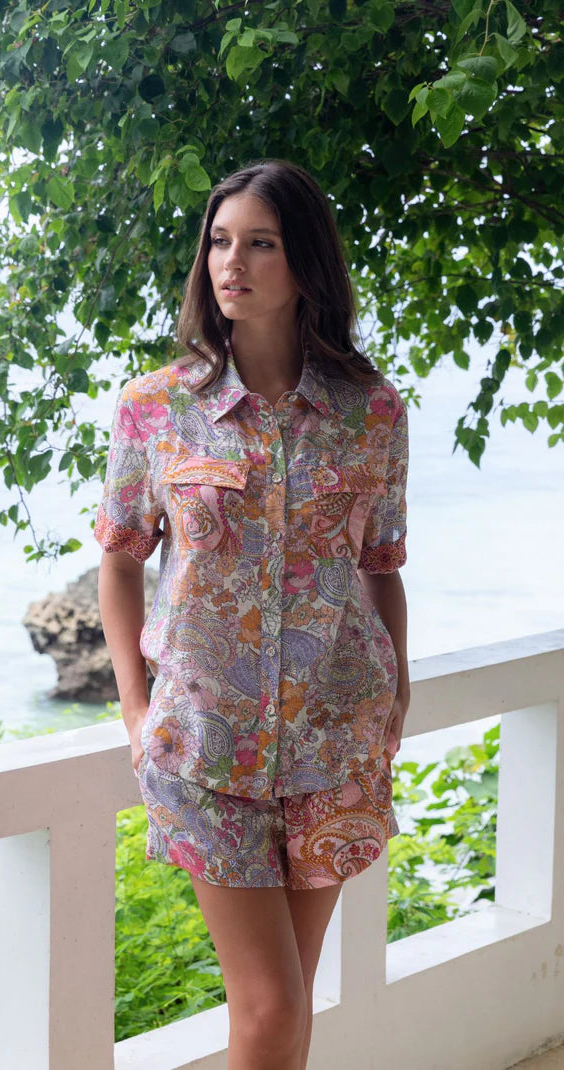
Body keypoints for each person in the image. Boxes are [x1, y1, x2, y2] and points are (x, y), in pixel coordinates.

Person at [95, 158, 410, 1070]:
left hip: (335, 740)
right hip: (203, 745)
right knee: (270, 1009)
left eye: (260, 243)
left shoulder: (371, 412)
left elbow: (381, 568)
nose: (231, 263)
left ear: (304, 262)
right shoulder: (156, 408)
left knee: (285, 1010)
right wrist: (135, 708)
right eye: (219, 242)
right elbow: (120, 559)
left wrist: (397, 695)